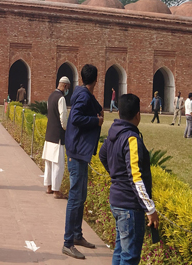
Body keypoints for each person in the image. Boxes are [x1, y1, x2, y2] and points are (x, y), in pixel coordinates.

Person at [99, 93, 158, 265]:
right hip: (129, 207)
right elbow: (135, 177)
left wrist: (116, 176)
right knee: (129, 257)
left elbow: (103, 155)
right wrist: (150, 208)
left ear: (118, 113)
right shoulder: (131, 138)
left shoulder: (114, 132)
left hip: (117, 201)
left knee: (120, 251)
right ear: (138, 115)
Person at [62, 64, 101, 259]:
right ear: (96, 80)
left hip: (79, 152)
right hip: (77, 152)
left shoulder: (83, 93)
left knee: (81, 196)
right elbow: (76, 117)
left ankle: (76, 235)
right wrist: (96, 121)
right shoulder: (84, 95)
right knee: (75, 198)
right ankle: (68, 242)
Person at [42, 76, 70, 199]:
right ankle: (56, 190)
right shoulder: (61, 98)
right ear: (65, 86)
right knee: (58, 164)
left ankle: (48, 186)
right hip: (58, 135)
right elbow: (63, 118)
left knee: (48, 162)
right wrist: (66, 129)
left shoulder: (51, 96)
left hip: (49, 134)